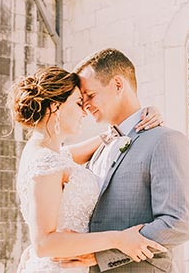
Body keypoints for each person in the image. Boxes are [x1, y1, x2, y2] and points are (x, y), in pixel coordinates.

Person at [11, 66, 168, 273]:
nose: (84, 111)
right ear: (54, 108)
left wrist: (143, 116)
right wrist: (118, 239)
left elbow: (107, 138)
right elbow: (43, 244)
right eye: (78, 103)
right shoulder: (44, 161)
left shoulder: (52, 155)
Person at [68, 49, 189, 272]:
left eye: (90, 95)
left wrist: (103, 255)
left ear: (118, 85)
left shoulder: (165, 141)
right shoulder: (99, 148)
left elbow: (178, 224)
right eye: (82, 99)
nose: (85, 105)